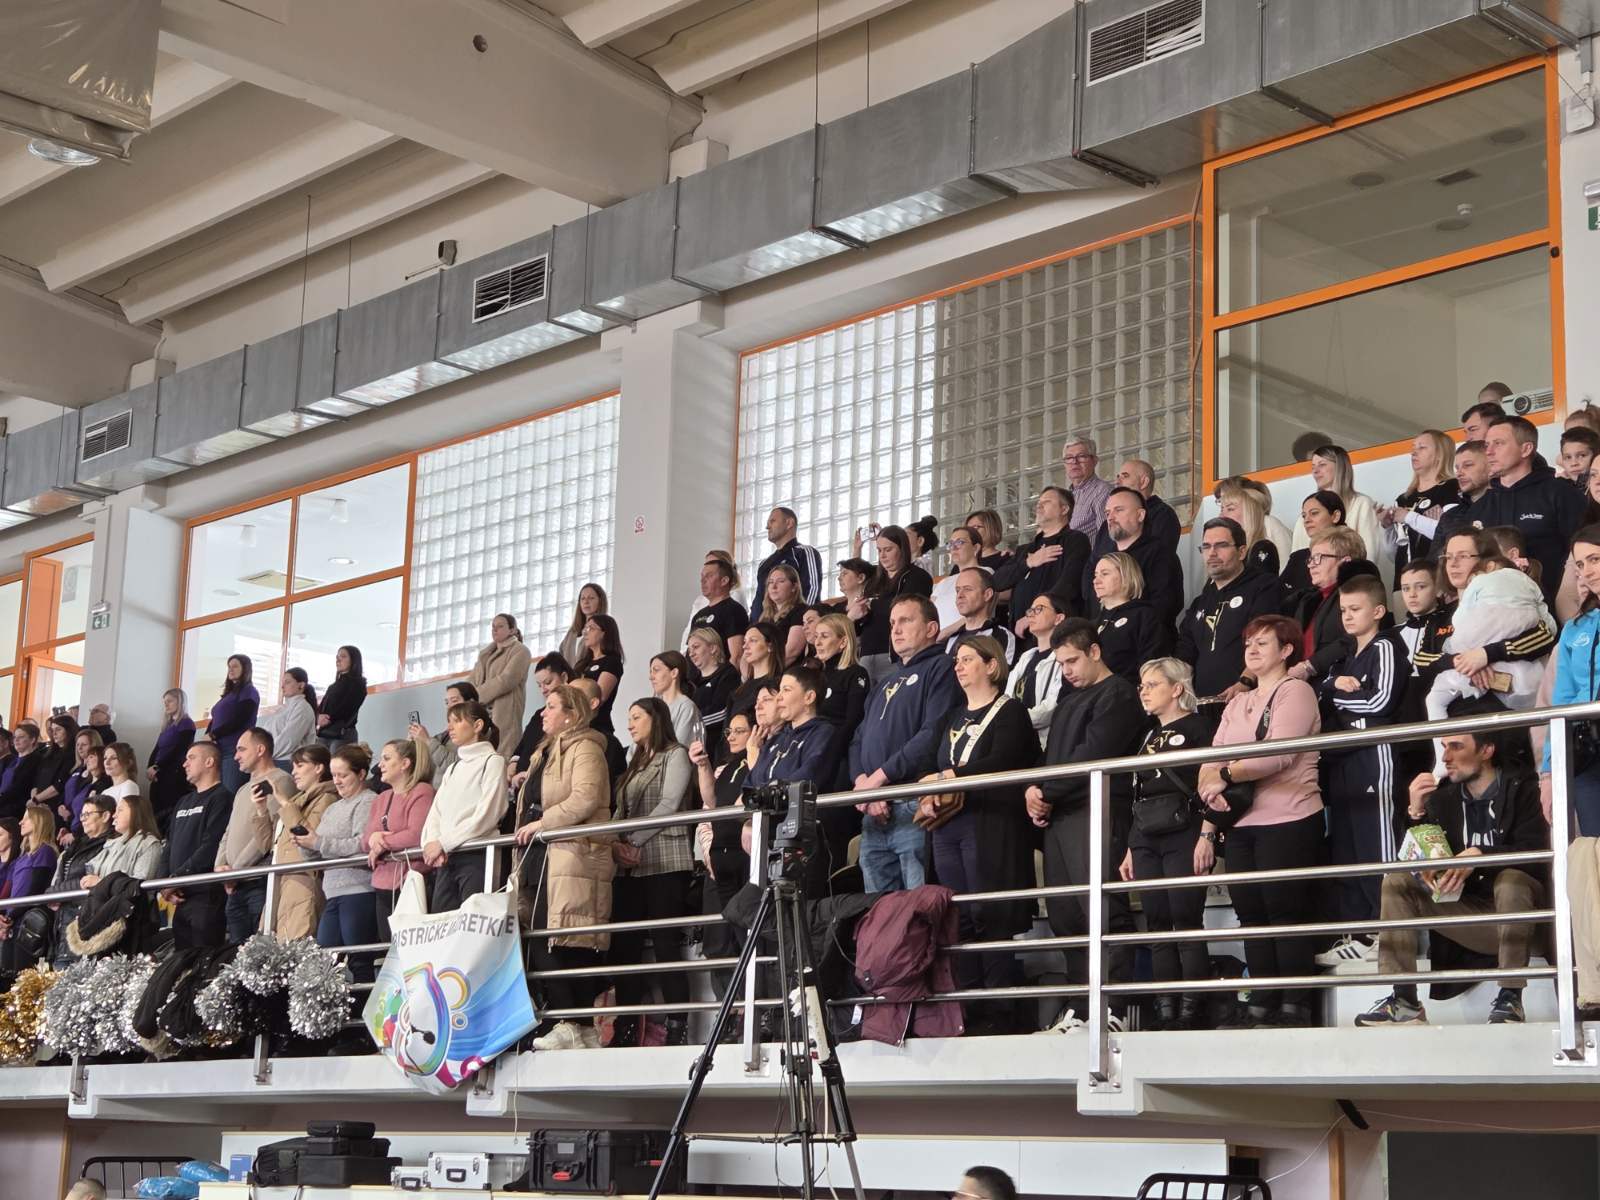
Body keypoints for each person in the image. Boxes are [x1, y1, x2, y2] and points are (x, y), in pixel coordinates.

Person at [1356, 732, 1547, 1026]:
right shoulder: (1443, 797)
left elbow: (1537, 854)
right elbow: (1416, 855)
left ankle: (1510, 998)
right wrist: (1416, 812)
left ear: (1487, 750)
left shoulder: (1524, 788)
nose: (1445, 757)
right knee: (1397, 881)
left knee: (1511, 881)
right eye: (1444, 747)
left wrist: (1481, 855)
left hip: (1527, 920)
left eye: (1456, 747)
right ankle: (1404, 1001)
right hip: (1472, 919)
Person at [1198, 616, 1323, 1028]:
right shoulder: (1237, 702)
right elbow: (1210, 757)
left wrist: (1225, 774)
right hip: (1241, 822)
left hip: (1289, 815)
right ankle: (1263, 1000)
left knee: (1285, 914)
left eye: (1262, 643)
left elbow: (1278, 754)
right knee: (1251, 915)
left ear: (1287, 650)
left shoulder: (1296, 690)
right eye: (1248, 643)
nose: (1251, 650)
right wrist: (1211, 786)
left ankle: (1295, 1005)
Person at [1025, 620, 1145, 1031]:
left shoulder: (1119, 694)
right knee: (1067, 917)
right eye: (1061, 664)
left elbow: (1095, 752)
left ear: (1095, 651)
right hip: (1061, 814)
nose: (1067, 671)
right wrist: (1033, 789)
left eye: (1073, 661)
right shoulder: (1068, 700)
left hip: (1099, 809)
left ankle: (1114, 1011)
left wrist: (1046, 790)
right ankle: (1083, 1008)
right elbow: (1051, 758)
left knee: (1103, 911)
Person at [924, 635, 1039, 1033]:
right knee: (959, 917)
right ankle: (969, 1010)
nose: (958, 666)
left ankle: (1000, 1013)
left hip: (989, 822)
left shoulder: (1010, 711)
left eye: (968, 659)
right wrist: (933, 789)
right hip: (949, 826)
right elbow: (935, 762)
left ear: (991, 665)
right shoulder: (953, 716)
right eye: (957, 660)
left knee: (990, 914)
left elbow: (1004, 759)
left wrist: (949, 777)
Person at [514, 684, 615, 1052]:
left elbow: (586, 797)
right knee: (542, 936)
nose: (543, 713)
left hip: (569, 853)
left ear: (572, 715)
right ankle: (577, 1026)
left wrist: (543, 822)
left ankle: (570, 1021)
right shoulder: (543, 752)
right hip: (540, 854)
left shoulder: (586, 747)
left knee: (558, 939)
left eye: (551, 707)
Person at [1313, 575, 1407, 963]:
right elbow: (1322, 692)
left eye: (1355, 609)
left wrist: (1337, 698)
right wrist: (1334, 687)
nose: (1347, 616)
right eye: (1343, 610)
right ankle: (1359, 931)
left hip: (1374, 755)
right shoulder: (1348, 657)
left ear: (1379, 611)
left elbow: (1380, 701)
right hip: (1344, 757)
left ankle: (1385, 931)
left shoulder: (1386, 646)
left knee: (1377, 842)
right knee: (1348, 847)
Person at [1120, 658, 1214, 1030]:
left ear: (1177, 689)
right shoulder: (1147, 736)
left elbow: (1211, 785)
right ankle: (1165, 1008)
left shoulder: (1200, 727)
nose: (1144, 692)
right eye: (1142, 685)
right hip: (1145, 834)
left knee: (1185, 918)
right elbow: (1138, 793)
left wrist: (1208, 833)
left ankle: (1192, 1008)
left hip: (1183, 829)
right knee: (1157, 922)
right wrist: (1131, 845)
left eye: (1153, 684)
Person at [849, 595, 960, 893]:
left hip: (912, 802)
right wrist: (863, 784)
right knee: (880, 912)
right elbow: (858, 740)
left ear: (931, 628)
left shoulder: (942, 668)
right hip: (874, 809)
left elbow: (932, 733)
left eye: (906, 621)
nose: (896, 630)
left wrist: (877, 780)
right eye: (892, 623)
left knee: (918, 906)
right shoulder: (885, 681)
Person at [607, 698, 694, 1047]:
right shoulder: (635, 762)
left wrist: (633, 840)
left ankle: (677, 1024)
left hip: (665, 860)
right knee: (625, 946)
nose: (630, 724)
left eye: (636, 717)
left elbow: (669, 804)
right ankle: (627, 1025)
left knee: (665, 943)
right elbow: (619, 810)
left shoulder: (676, 754)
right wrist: (614, 843)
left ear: (655, 719)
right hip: (629, 867)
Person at [1424, 552, 1556, 733]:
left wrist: (1485, 655)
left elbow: (1546, 635)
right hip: (1467, 712)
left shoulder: (1492, 590)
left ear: (1488, 564)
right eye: (1448, 557)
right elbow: (1422, 660)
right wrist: (1462, 661)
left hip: (1509, 712)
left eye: (1463, 555)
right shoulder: (1438, 618)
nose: (1453, 563)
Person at [1480, 415, 1586, 603]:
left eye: (1498, 443)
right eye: (1486, 445)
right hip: (1490, 610)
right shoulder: (1479, 507)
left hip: (1554, 608)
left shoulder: (1561, 494)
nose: (1489, 451)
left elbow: (1583, 552)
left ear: (1526, 449)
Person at [690, 709, 753, 1021]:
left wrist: (755, 751)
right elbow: (709, 809)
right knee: (717, 942)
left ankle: (753, 1012)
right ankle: (726, 1014)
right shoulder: (723, 768)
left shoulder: (757, 763)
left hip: (745, 862)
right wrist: (703, 766)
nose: (731, 737)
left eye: (740, 731)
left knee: (747, 937)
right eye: (729, 731)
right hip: (717, 862)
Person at [1176, 517, 1281, 704]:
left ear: (1242, 552)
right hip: (1204, 704)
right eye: (1206, 547)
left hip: (1249, 698)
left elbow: (1266, 638)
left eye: (1221, 545)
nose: (1212, 553)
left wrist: (1246, 682)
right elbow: (1185, 653)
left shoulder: (1264, 587)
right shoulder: (1201, 601)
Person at [295, 743, 377, 977]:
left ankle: (364, 1001)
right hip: (332, 892)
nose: (337, 781)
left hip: (359, 890)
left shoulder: (368, 801)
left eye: (343, 775)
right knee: (324, 961)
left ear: (361, 774)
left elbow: (361, 845)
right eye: (334, 776)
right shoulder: (332, 808)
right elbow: (318, 851)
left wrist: (318, 842)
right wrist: (305, 844)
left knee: (359, 961)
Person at [421, 700, 507, 911]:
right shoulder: (453, 769)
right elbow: (436, 812)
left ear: (477, 725)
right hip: (447, 856)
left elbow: (487, 815)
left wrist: (443, 842)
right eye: (449, 721)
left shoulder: (492, 761)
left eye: (457, 721)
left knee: (473, 920)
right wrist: (431, 843)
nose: (450, 727)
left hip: (476, 854)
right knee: (442, 921)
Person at [1542, 525, 1600, 834]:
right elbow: (1561, 702)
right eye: (1580, 564)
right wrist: (1549, 771)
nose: (1587, 571)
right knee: (1594, 848)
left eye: (1595, 559)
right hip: (1585, 750)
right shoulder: (1575, 628)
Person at [215, 727, 294, 944]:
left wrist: (235, 871)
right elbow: (228, 831)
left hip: (259, 881)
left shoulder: (281, 781)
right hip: (236, 885)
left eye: (241, 749)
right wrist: (220, 866)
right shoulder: (242, 790)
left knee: (262, 949)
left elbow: (268, 833)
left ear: (260, 750)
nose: (236, 756)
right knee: (236, 952)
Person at [158, 742, 233, 949]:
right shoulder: (183, 802)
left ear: (209, 762)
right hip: (180, 896)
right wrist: (164, 883)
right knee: (182, 960)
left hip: (205, 894)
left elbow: (211, 846)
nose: (184, 764)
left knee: (204, 958)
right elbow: (169, 845)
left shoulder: (222, 798)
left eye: (191, 758)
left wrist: (177, 878)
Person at [992, 487, 1090, 635]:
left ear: (1064, 509)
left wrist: (1033, 614)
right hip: (1020, 632)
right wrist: (1028, 563)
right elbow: (996, 582)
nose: (1039, 506)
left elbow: (1069, 584)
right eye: (1038, 502)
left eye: (1047, 502)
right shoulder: (1025, 550)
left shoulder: (1076, 540)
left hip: (1057, 631)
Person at [364, 737, 435, 939]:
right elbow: (366, 839)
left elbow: (416, 835)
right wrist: (374, 839)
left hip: (411, 883)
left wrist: (383, 843)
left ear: (405, 763)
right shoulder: (381, 798)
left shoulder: (422, 791)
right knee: (388, 948)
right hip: (382, 886)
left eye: (387, 759)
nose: (380, 765)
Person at [266, 745, 338, 940]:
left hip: (303, 878)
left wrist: (285, 804)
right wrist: (260, 810)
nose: (293, 772)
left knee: (296, 942)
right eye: (293, 767)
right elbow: (267, 845)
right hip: (281, 877)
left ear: (319, 768)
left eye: (300, 765)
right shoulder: (297, 801)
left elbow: (307, 836)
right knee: (274, 946)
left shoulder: (326, 798)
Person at [854, 525, 934, 684]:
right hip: (867, 654)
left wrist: (872, 605)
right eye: (879, 550)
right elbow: (861, 622)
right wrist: (856, 615)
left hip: (897, 654)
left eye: (888, 550)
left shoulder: (918, 576)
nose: (882, 555)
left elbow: (907, 610)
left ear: (902, 549)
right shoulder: (873, 583)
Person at [1291, 445, 1382, 578]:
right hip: (1311, 586)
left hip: (1352, 583)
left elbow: (1369, 556)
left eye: (1322, 465)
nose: (1315, 471)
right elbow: (1296, 562)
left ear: (1340, 467)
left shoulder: (1362, 504)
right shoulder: (1303, 517)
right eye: (1313, 466)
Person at [1382, 430, 1460, 579]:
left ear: (1440, 454)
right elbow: (1395, 554)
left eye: (1422, 447)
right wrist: (1388, 527)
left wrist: (1409, 517)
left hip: (1437, 578)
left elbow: (1450, 535)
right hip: (1404, 581)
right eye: (1413, 448)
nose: (1413, 453)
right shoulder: (1403, 499)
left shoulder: (1451, 488)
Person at [47, 794, 113, 968]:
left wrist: (55, 892)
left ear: (106, 816)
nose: (82, 819)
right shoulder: (75, 846)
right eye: (81, 815)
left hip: (87, 928)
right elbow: (62, 883)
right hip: (62, 927)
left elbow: (88, 881)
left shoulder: (111, 844)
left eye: (87, 814)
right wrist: (55, 892)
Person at [1090, 552, 1169, 682]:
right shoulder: (1093, 623)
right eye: (1095, 575)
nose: (1096, 581)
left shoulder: (1145, 616)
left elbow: (1151, 665)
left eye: (1105, 574)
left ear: (1126, 576)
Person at [1007, 592, 1068, 748]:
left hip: (1043, 743)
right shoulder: (1026, 656)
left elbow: (1052, 707)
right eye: (1030, 610)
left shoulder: (1064, 656)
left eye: (1039, 609)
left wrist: (1013, 720)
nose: (1031, 614)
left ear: (1059, 618)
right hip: (1015, 738)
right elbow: (1007, 697)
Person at [472, 613, 533, 754]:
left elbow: (506, 680)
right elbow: (472, 678)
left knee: (504, 756)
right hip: (482, 715)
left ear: (512, 630)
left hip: (505, 714)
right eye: (493, 626)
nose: (494, 630)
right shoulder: (485, 654)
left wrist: (475, 695)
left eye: (500, 626)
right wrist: (464, 694)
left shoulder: (521, 651)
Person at [750, 506, 823, 620]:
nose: (767, 526)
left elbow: (812, 589)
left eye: (772, 521)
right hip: (765, 626)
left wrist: (802, 622)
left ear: (789, 523)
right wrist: (753, 625)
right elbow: (759, 600)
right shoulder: (764, 564)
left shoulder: (804, 552)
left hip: (793, 624)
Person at [509, 654, 574, 781]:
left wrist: (529, 775)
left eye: (548, 682)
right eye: (539, 685)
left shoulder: (572, 714)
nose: (543, 690)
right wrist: (514, 761)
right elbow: (523, 744)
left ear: (564, 677)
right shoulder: (539, 714)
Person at [82, 791, 163, 886]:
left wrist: (101, 883)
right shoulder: (112, 844)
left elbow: (139, 887)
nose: (114, 815)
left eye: (120, 810)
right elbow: (91, 868)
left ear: (136, 812)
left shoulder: (149, 844)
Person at [1214, 475, 1291, 575]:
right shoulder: (1235, 535)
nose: (1222, 514)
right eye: (1221, 503)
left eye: (1230, 507)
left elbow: (1287, 567)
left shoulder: (1269, 523)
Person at [1280, 490, 1347, 599]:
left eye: (1314, 513)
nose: (1306, 520)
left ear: (1335, 516)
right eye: (1304, 516)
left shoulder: (1350, 551)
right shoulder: (1297, 558)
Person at [146, 688, 197, 833]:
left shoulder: (186, 724)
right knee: (156, 810)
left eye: (170, 701)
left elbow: (180, 751)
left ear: (180, 702)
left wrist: (157, 766)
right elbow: (157, 748)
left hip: (173, 774)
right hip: (159, 773)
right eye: (165, 702)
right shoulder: (167, 727)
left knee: (168, 812)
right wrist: (150, 767)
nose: (166, 705)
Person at [208, 654, 260, 794]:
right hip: (219, 749)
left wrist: (214, 735)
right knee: (219, 794)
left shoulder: (249, 691)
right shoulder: (229, 694)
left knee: (230, 793)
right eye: (229, 666)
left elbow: (240, 719)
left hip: (234, 750)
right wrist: (208, 735)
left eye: (235, 666)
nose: (231, 669)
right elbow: (215, 719)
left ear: (245, 669)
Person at [942, 567, 1016, 662]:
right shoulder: (952, 638)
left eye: (968, 589)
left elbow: (1001, 671)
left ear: (987, 594)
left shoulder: (1001, 636)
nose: (959, 595)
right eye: (957, 590)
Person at [685, 628, 740, 754]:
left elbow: (721, 712)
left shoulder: (728, 674)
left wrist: (688, 723)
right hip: (693, 745)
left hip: (714, 746)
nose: (691, 654)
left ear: (713, 648)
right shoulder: (691, 682)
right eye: (689, 650)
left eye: (696, 647)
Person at [409, 680, 476, 780]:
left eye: (454, 701)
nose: (449, 707)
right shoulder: (444, 735)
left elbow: (458, 766)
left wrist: (428, 741)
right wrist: (415, 742)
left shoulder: (477, 732)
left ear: (470, 702)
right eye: (446, 702)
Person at [1434, 440, 1494, 549]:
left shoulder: (1507, 506)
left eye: (1467, 465)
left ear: (1491, 466)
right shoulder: (1449, 516)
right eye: (1457, 468)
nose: (1459, 473)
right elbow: (1435, 557)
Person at [1114, 458, 1181, 554]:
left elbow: (1156, 555)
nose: (1117, 482)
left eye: (1125, 476)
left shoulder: (1163, 515)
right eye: (1117, 477)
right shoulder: (1112, 518)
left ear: (1144, 482)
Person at [686, 558, 747, 663]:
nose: (702, 580)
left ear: (724, 581)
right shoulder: (699, 615)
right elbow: (691, 651)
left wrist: (725, 674)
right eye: (702, 576)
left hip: (720, 672)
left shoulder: (734, 610)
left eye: (709, 576)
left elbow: (737, 656)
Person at [572, 613, 624, 734]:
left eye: (591, 628)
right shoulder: (581, 664)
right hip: (576, 723)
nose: (585, 633)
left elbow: (600, 696)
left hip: (597, 725)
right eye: (585, 628)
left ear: (604, 633)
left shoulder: (612, 661)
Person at [728, 621, 784, 721]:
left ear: (770, 646)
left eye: (753, 640)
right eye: (745, 642)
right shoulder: (739, 691)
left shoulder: (779, 684)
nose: (745, 646)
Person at [933, 525, 985, 630]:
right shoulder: (944, 582)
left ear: (976, 548)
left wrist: (945, 633)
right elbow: (928, 612)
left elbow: (981, 614)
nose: (954, 547)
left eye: (960, 542)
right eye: (951, 544)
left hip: (970, 637)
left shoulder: (985, 573)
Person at [261, 667, 319, 762]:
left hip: (287, 761)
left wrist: (265, 755)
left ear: (301, 685)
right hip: (273, 758)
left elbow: (288, 740)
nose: (282, 686)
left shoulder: (302, 708)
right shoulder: (284, 708)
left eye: (287, 682)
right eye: (282, 682)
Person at [316, 645, 367, 750]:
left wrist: (328, 719)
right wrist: (318, 717)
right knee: (317, 758)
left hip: (342, 733)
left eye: (343, 656)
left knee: (338, 760)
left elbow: (348, 707)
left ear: (353, 660)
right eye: (337, 657)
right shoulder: (334, 685)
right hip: (325, 732)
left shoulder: (358, 684)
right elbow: (323, 706)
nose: (338, 660)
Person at [759, 563, 811, 666]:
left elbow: (792, 651)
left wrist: (766, 670)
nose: (774, 586)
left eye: (781, 581)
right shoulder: (765, 616)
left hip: (786, 670)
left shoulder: (801, 611)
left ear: (794, 587)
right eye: (770, 582)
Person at [1061, 436, 1112, 539]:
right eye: (1069, 458)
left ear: (1094, 461)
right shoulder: (1064, 497)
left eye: (1081, 456)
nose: (1074, 462)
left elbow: (1107, 538)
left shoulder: (1103, 491)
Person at [59, 732, 108, 839]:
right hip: (72, 828)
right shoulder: (83, 777)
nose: (79, 748)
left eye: (84, 744)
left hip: (85, 834)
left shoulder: (103, 783)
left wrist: (75, 834)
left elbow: (92, 814)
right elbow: (76, 807)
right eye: (77, 745)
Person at [30, 714, 77, 818]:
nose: (54, 733)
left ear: (68, 730)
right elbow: (37, 778)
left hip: (53, 805)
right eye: (52, 730)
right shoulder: (49, 753)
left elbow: (59, 784)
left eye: (58, 729)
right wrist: (34, 798)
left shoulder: (72, 755)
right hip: (38, 802)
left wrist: (36, 799)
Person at [0, 722, 42, 819]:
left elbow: (19, 786)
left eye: (21, 737)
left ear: (32, 739)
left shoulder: (35, 760)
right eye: (15, 737)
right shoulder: (13, 760)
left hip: (13, 810)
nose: (16, 740)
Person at [560, 582, 608, 665]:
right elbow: (560, 656)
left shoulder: (605, 629)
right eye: (582, 598)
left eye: (591, 598)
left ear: (600, 601)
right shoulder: (572, 632)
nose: (586, 602)